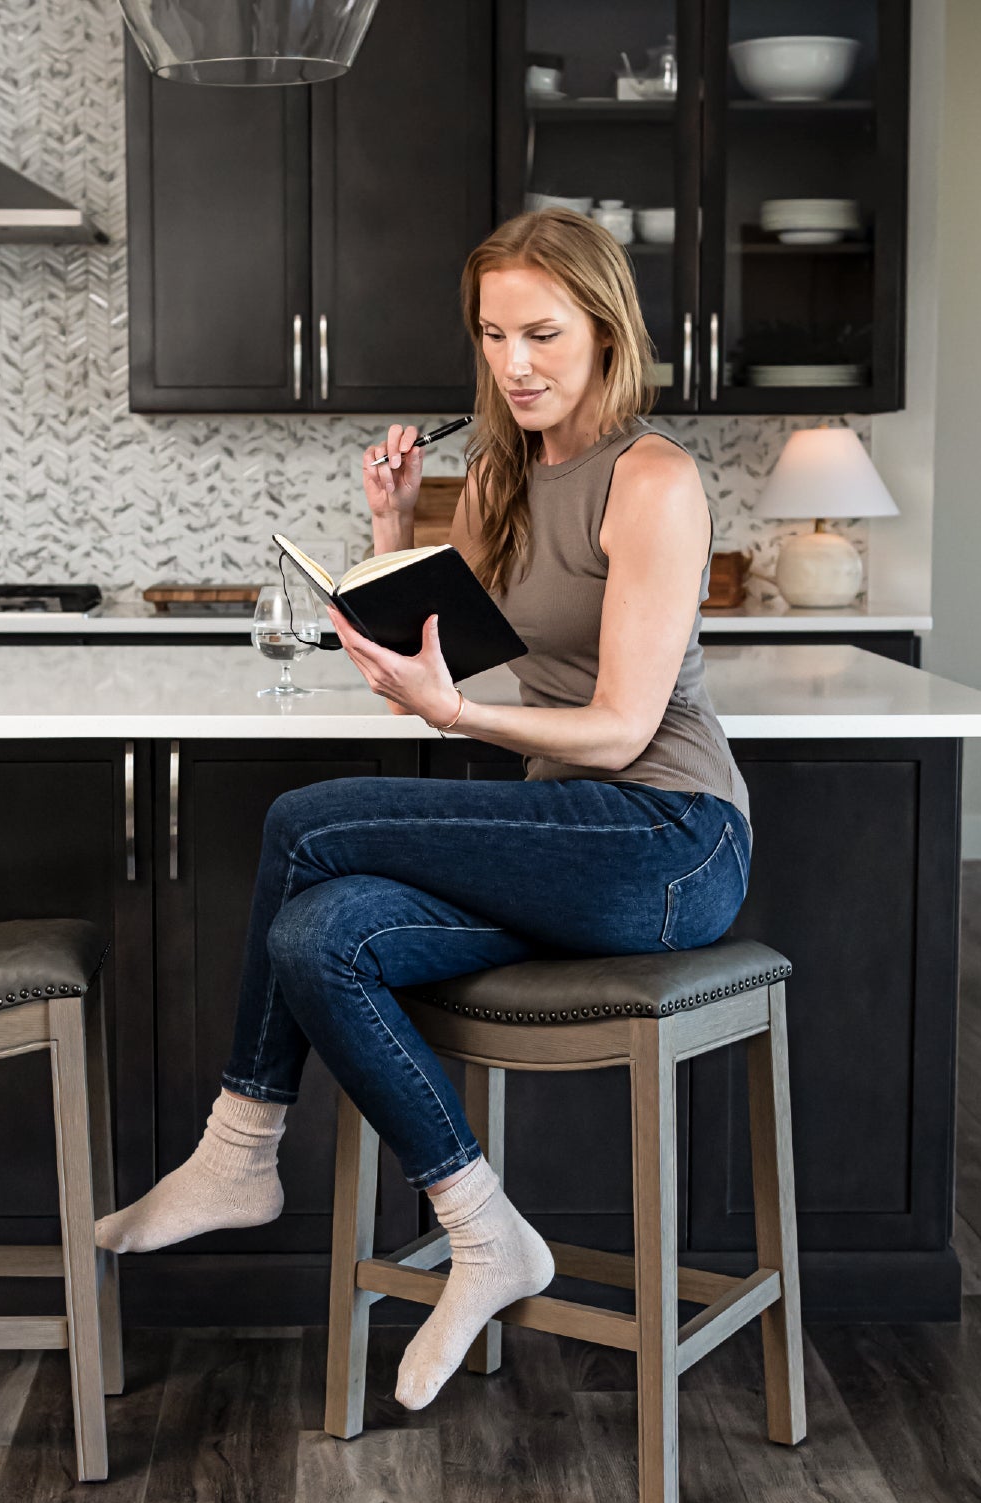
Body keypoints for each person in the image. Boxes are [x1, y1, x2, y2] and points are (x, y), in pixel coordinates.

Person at [96, 209, 751, 1411]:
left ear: (607, 330)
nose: (516, 362)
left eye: (544, 332)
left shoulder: (652, 479)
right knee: (317, 936)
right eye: (495, 334)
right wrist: (395, 527)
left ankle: (239, 1151)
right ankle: (484, 1225)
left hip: (665, 844)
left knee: (309, 819)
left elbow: (613, 728)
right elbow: (466, 658)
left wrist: (455, 720)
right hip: (558, 844)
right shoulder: (504, 472)